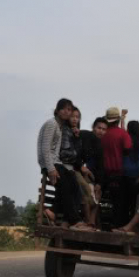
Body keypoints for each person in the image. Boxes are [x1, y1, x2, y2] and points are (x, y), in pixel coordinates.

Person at [36, 98, 88, 230]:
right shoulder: (51, 124)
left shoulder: (60, 126)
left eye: (69, 109)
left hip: (57, 162)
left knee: (74, 186)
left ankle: (52, 211)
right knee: (65, 187)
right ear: (57, 110)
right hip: (51, 164)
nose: (66, 112)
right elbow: (45, 148)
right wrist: (51, 169)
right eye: (63, 109)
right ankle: (75, 221)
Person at [101, 106, 134, 227]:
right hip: (117, 174)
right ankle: (116, 226)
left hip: (102, 173)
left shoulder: (102, 133)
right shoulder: (122, 134)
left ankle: (96, 223)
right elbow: (127, 149)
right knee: (118, 202)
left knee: (98, 199)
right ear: (118, 120)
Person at [76, 116, 109, 228]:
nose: (101, 131)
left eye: (104, 129)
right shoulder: (84, 135)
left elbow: (101, 166)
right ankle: (88, 221)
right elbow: (74, 153)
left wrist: (99, 183)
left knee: (97, 192)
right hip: (78, 172)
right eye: (99, 128)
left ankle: (91, 221)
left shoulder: (101, 145)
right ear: (93, 127)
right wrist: (81, 167)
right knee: (88, 190)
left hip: (92, 177)